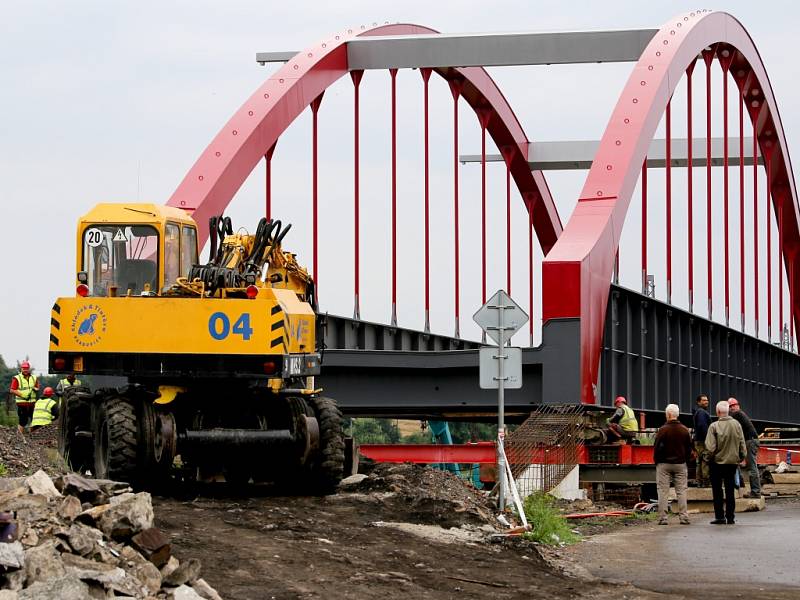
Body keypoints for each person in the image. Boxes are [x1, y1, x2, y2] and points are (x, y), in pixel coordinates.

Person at [705, 400, 746, 525]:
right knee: (730, 490)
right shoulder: (737, 425)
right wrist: (741, 457)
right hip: (732, 463)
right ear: (728, 411)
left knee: (717, 491)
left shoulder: (714, 426)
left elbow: (710, 448)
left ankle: (720, 517)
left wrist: (707, 458)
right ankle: (731, 517)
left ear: (718, 412)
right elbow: (742, 444)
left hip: (717, 464)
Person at [654, 403, 693, 525]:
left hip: (664, 464)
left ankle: (663, 518)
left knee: (663, 491)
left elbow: (657, 447)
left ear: (668, 415)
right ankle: (684, 517)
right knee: (681, 491)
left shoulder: (662, 430)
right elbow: (689, 449)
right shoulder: (684, 430)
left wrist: (657, 461)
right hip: (680, 464)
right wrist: (685, 460)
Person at [728, 397, 761, 498]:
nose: (731, 409)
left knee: (752, 467)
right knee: (751, 467)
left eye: (732, 406)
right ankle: (750, 488)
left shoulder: (737, 414)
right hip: (751, 440)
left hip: (750, 441)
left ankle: (755, 492)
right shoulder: (740, 414)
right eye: (731, 407)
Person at [9, 361, 39, 434]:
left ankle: (32, 437)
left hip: (32, 404)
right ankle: (19, 437)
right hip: (22, 404)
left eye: (27, 368)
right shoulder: (17, 378)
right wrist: (23, 395)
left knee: (34, 420)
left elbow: (37, 387)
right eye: (24, 368)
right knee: (23, 421)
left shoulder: (34, 377)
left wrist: (36, 389)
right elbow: (12, 390)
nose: (25, 370)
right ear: (21, 369)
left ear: (29, 369)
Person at [692, 394, 712, 486]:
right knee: (705, 460)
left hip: (699, 440)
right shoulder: (701, 412)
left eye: (707, 400)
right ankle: (705, 481)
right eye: (704, 400)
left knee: (699, 462)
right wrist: (708, 439)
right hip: (703, 441)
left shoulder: (699, 412)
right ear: (698, 402)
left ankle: (699, 481)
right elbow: (702, 426)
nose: (706, 402)